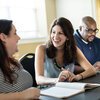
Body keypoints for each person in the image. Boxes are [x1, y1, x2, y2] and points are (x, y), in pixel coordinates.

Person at [35, 17, 96, 85]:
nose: (55, 37)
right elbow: (39, 79)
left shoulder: (74, 50)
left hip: (68, 89)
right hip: (48, 90)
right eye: (53, 32)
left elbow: (92, 70)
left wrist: (78, 77)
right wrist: (57, 80)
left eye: (60, 33)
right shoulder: (41, 49)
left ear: (68, 37)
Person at [0, 19, 40, 100]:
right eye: (15, 33)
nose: (19, 37)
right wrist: (22, 95)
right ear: (3, 37)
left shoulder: (13, 62)